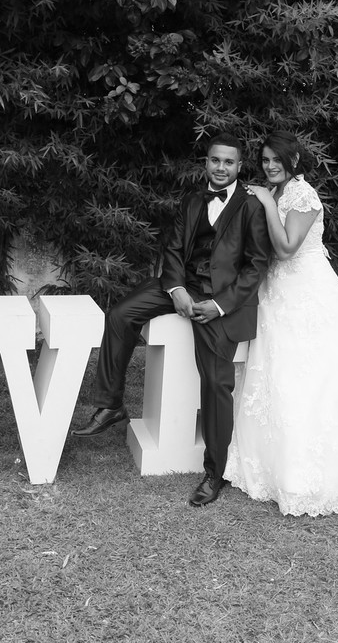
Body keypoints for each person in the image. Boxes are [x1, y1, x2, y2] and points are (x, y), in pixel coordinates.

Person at [72, 133, 272, 508]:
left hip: (220, 299)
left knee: (215, 381)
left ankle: (215, 473)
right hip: (184, 285)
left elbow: (256, 265)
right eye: (215, 160)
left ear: (239, 166)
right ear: (206, 162)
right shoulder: (193, 200)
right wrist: (176, 288)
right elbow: (174, 249)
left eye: (229, 162)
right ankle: (111, 404)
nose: (221, 167)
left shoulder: (252, 207)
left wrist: (219, 305)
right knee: (120, 314)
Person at [225, 131, 338, 516]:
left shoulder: (302, 195)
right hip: (275, 293)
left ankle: (320, 469)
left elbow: (287, 248)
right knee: (274, 372)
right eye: (266, 159)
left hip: (306, 289)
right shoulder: (275, 192)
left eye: (277, 160)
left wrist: (269, 205)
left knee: (315, 372)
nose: (270, 166)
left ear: (295, 162)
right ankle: (270, 462)